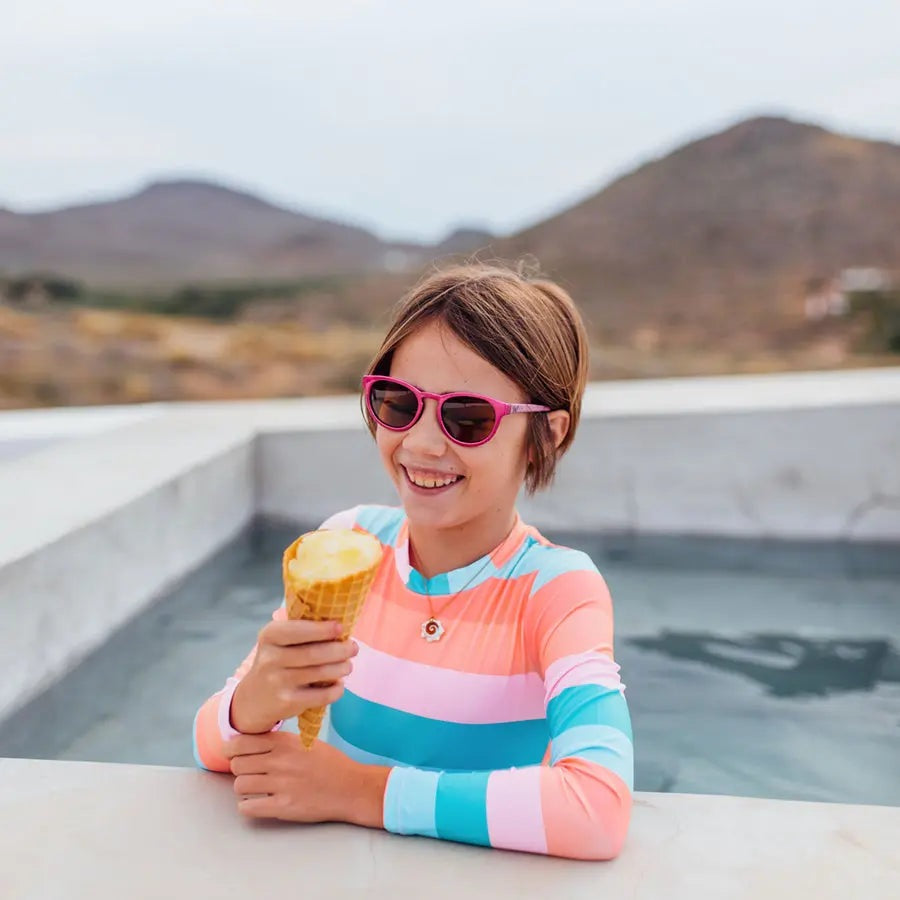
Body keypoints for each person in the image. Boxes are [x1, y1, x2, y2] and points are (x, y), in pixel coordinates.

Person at [192, 264, 633, 860]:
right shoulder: (346, 543)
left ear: (547, 435)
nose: (422, 443)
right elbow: (211, 746)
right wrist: (254, 701)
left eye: (468, 417)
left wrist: (359, 793)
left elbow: (596, 811)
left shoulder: (557, 591)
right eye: (398, 404)